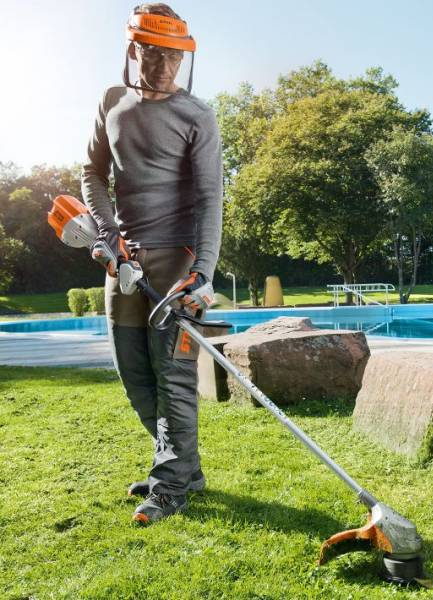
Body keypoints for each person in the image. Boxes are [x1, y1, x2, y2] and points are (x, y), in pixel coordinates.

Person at [81, 2, 223, 523]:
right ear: (133, 49)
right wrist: (108, 233)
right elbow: (91, 173)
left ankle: (169, 487)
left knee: (175, 378)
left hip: (177, 264)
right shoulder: (112, 102)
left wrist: (202, 272)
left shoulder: (196, 116)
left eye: (173, 57)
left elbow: (211, 199)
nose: (163, 67)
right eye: (152, 53)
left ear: (184, 58)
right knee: (135, 376)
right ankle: (184, 467)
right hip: (123, 262)